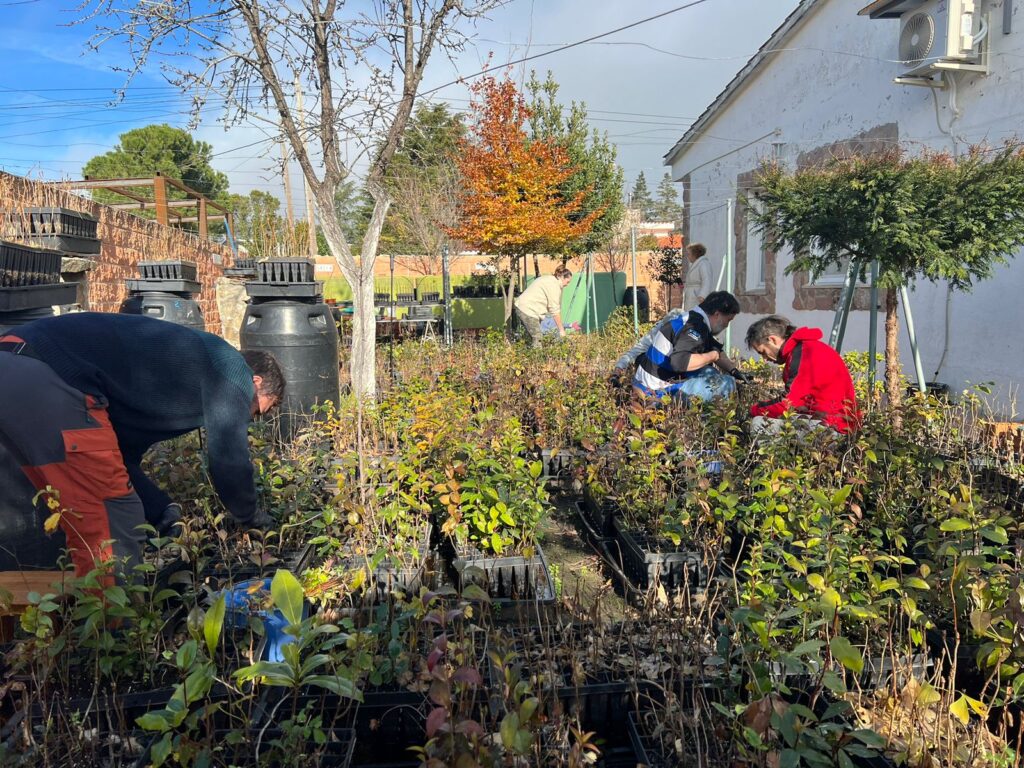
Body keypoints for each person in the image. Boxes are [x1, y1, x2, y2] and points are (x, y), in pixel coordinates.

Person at [0, 313, 285, 580]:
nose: (251, 418)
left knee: (76, 510)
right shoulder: (235, 371)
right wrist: (251, 519)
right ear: (256, 382)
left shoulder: (184, 379)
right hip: (48, 373)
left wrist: (160, 509)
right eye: (260, 410)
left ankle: (74, 622)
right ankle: (117, 631)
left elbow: (118, 457)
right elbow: (228, 457)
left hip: (14, 361)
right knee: (114, 522)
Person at [745, 315, 860, 435]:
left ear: (772, 340)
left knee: (758, 424)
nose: (764, 359)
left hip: (834, 428)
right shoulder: (807, 348)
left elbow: (789, 403)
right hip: (838, 424)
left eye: (763, 352)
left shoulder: (804, 353)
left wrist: (754, 410)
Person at [632, 291, 744, 402]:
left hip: (647, 384)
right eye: (728, 320)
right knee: (725, 384)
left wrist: (734, 371)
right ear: (717, 314)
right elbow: (679, 362)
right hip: (654, 394)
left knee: (710, 372)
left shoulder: (695, 320)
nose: (727, 325)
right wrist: (712, 356)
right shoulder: (693, 327)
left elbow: (715, 350)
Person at [513, 265, 572, 347]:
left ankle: (525, 355)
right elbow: (555, 311)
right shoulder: (554, 285)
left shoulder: (549, 279)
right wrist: (561, 330)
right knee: (538, 337)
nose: (567, 284)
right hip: (528, 310)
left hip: (525, 307)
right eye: (567, 281)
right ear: (561, 277)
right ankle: (537, 358)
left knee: (530, 337)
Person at [682, 243, 713, 310]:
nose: (687, 256)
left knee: (696, 316)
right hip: (692, 296)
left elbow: (707, 280)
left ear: (695, 254)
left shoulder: (704, 264)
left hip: (698, 297)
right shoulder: (695, 264)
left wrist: (703, 295)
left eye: (689, 254)